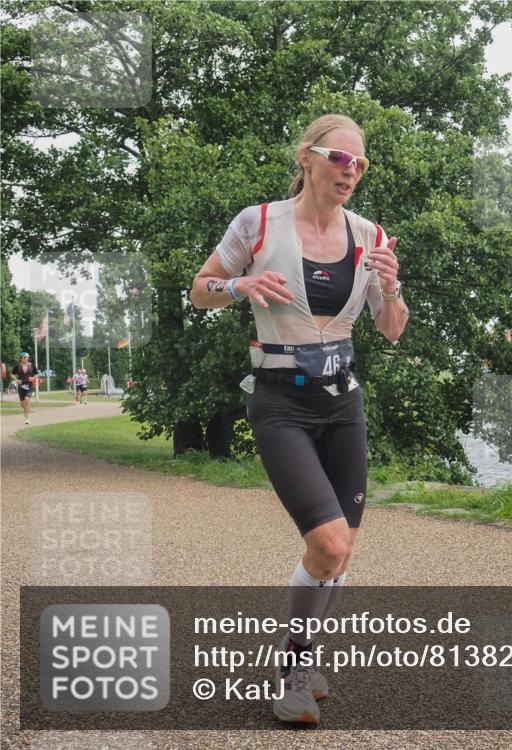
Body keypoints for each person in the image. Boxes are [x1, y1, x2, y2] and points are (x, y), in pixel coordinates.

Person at [190, 114, 409, 725]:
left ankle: (305, 656)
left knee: (342, 555)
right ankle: (291, 671)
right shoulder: (257, 223)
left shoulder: (371, 236)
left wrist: (390, 290)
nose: (352, 172)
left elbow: (391, 330)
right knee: (328, 542)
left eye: (361, 164)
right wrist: (241, 285)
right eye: (341, 159)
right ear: (308, 158)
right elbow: (199, 288)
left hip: (344, 403)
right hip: (281, 400)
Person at [13, 353, 36, 424]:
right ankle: (26, 411)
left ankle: (27, 418)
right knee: (22, 404)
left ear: (27, 358)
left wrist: (33, 378)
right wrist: (16, 380)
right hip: (21, 386)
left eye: (25, 357)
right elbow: (11, 374)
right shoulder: (17, 366)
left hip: (29, 385)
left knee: (27, 400)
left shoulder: (32, 366)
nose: (23, 358)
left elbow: (37, 374)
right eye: (22, 357)